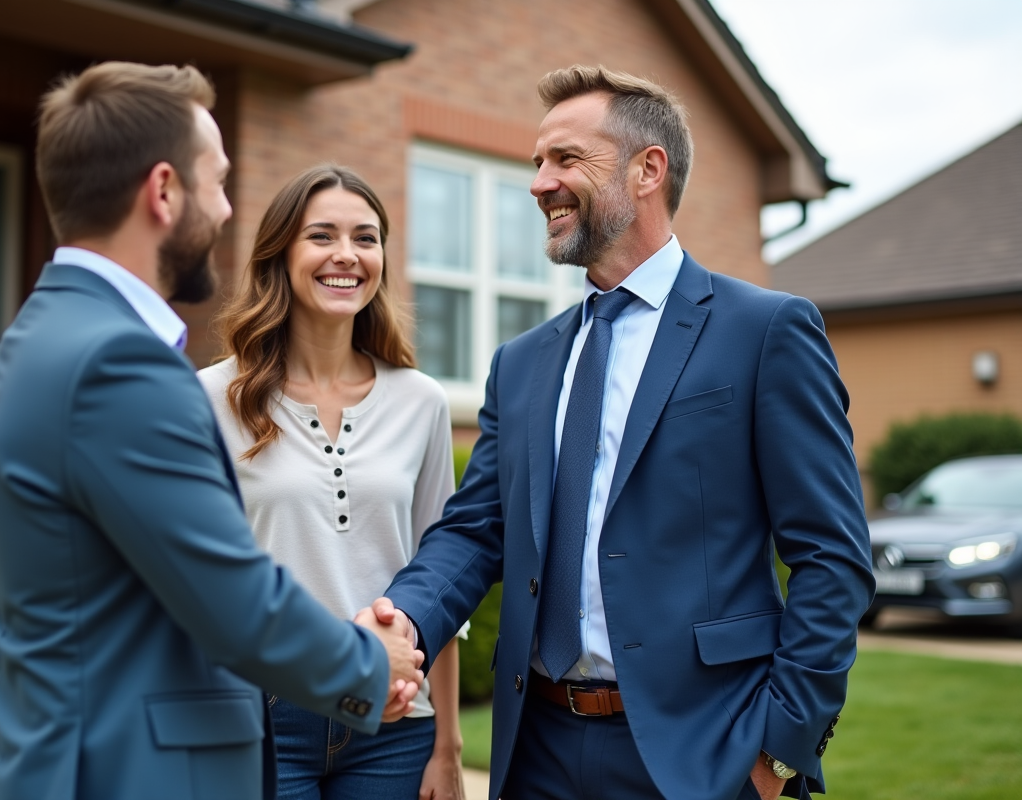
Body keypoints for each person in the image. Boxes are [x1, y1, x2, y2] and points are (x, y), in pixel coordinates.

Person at [364, 65, 875, 800]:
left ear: (648, 170)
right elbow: (477, 532)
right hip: (535, 749)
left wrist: (779, 749)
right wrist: (401, 619)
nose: (540, 182)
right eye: (537, 162)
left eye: (566, 159)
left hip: (701, 756)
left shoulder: (765, 332)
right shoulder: (521, 363)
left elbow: (832, 559)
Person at [0, 63, 423, 800]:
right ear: (165, 190)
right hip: (125, 772)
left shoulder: (38, 336)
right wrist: (371, 664)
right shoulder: (118, 364)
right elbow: (231, 597)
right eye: (217, 182)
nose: (227, 207)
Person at [198, 165, 466, 800]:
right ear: (281, 255)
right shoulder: (209, 397)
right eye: (322, 236)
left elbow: (441, 577)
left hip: (395, 727)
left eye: (366, 238)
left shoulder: (421, 401)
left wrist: (447, 747)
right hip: (258, 719)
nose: (347, 255)